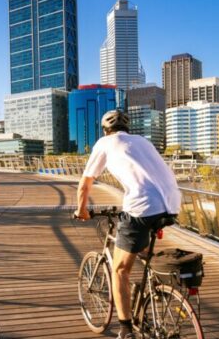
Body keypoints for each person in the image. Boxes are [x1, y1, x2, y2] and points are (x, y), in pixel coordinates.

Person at [74, 109, 181, 339]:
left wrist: (81, 210)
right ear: (127, 129)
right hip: (172, 202)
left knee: (120, 270)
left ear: (105, 130)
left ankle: (125, 330)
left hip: (143, 206)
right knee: (139, 245)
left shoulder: (104, 143)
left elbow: (85, 184)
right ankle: (153, 288)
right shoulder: (142, 141)